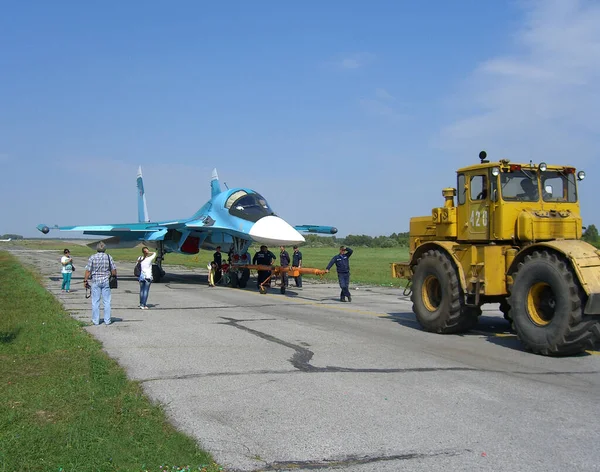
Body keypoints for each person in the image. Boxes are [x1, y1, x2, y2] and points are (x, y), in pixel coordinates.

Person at [83, 241, 117, 325]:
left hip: (95, 280)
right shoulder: (109, 257)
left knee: (95, 301)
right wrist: (112, 275)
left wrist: (85, 280)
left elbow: (88, 270)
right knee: (107, 301)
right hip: (106, 281)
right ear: (105, 249)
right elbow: (113, 270)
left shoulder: (92, 257)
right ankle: (107, 320)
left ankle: (95, 320)